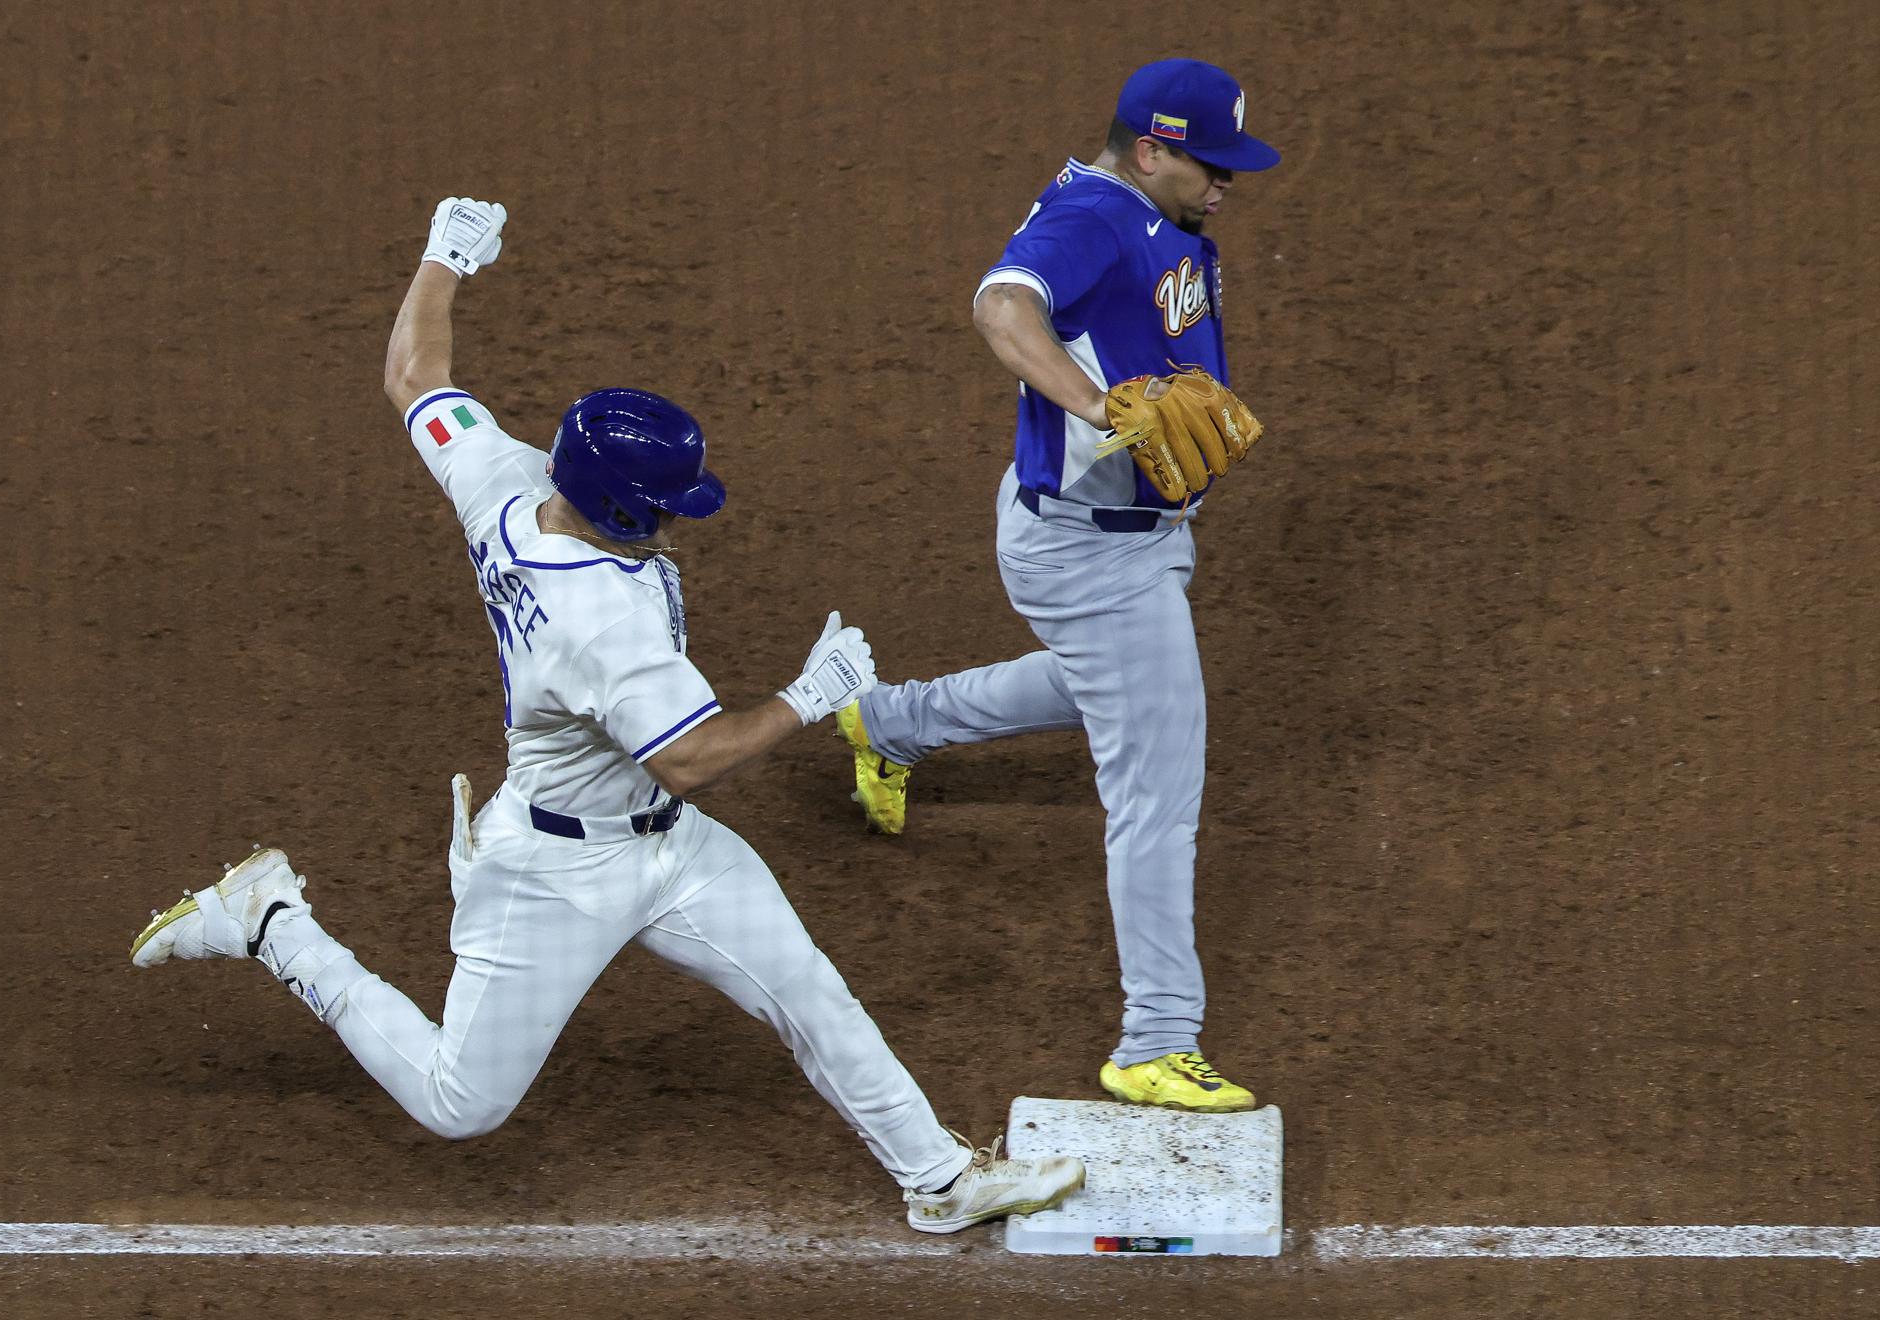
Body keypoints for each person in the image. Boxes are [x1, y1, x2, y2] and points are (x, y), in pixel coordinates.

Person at [130, 197, 1084, 1235]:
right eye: (669, 506)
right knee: (462, 1103)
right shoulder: (598, 621)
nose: (682, 520)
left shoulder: (508, 479)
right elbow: (693, 758)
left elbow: (417, 379)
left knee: (808, 990)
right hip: (553, 872)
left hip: (669, 849)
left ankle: (937, 1180)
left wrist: (443, 258)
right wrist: (810, 697)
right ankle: (272, 921)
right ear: (626, 508)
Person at [836, 59, 1278, 1113]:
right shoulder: (1091, 216)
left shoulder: (1138, 204)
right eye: (1210, 166)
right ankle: (1156, 1039)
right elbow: (999, 306)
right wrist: (1097, 405)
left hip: (1119, 533)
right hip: (1094, 548)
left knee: (1105, 692)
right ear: (1153, 149)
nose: (1227, 186)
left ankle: (887, 724)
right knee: (1157, 789)